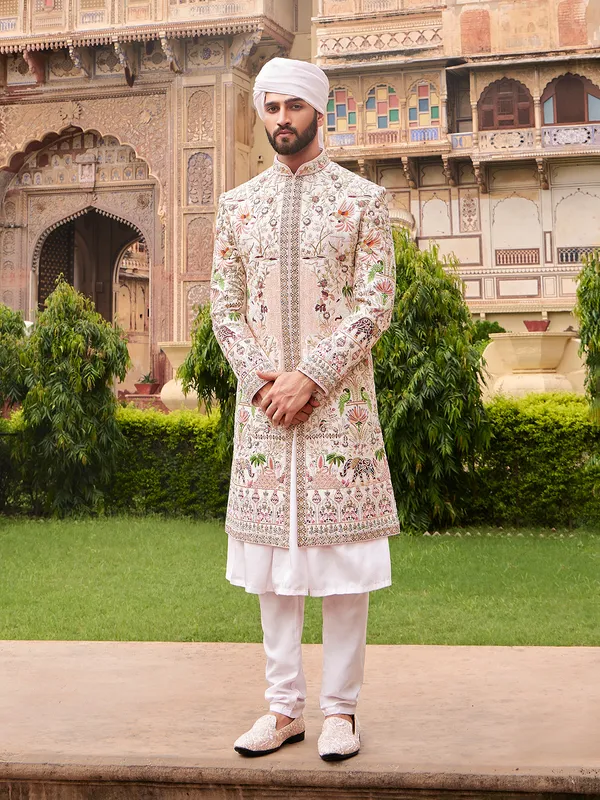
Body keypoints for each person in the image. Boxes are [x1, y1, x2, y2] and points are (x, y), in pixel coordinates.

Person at [209, 57, 400, 762]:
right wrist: (264, 383)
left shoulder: (363, 202)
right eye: (270, 107)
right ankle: (283, 708)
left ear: (320, 111)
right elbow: (223, 310)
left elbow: (374, 304)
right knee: (273, 570)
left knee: (344, 566)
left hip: (337, 411)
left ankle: (340, 712)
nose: (280, 119)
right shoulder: (238, 207)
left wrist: (311, 378)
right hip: (265, 413)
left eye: (293, 106)